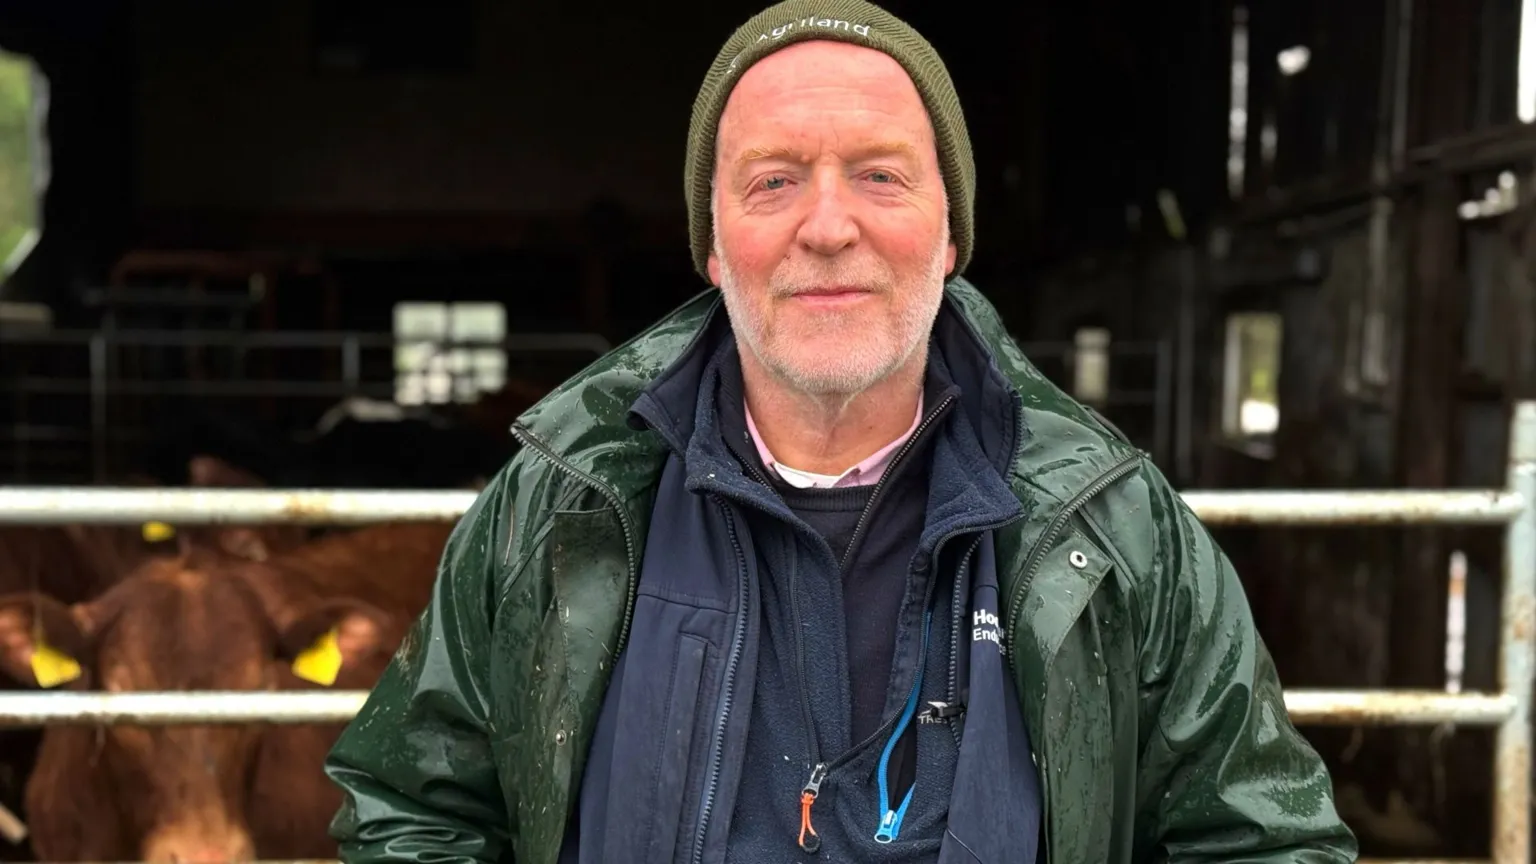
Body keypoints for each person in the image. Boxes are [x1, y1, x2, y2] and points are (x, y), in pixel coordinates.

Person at [322, 2, 1359, 862]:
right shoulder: (561, 504)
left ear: (949, 235)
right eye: (773, 181)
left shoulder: (1114, 529)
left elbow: (1263, 840)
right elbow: (412, 810)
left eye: (880, 175)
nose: (826, 227)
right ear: (714, 245)